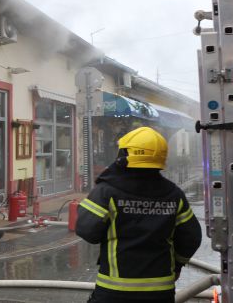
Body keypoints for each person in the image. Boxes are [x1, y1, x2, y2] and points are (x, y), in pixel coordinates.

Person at [75, 127, 201, 303]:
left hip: (115, 290)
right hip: (160, 292)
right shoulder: (174, 194)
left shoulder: (107, 191)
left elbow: (87, 230)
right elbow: (192, 237)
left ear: (125, 154)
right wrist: (177, 265)